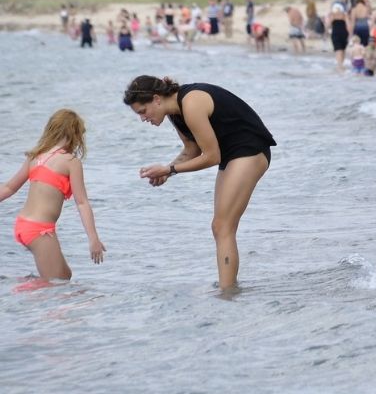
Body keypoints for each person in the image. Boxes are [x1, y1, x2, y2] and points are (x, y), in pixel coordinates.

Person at [123, 76, 276, 291]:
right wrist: (169, 171)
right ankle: (228, 289)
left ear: (156, 99)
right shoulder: (175, 112)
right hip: (232, 155)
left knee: (223, 226)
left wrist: (170, 169)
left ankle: (227, 292)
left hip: (250, 150)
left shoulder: (191, 103)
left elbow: (211, 156)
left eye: (142, 111)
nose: (143, 118)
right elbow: (192, 150)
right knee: (219, 227)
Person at [0, 109, 105, 281]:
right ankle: (21, 292)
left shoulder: (35, 156)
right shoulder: (71, 162)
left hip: (23, 225)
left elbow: (8, 188)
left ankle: (26, 287)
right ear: (75, 135)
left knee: (65, 275)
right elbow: (82, 202)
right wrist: (93, 239)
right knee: (57, 283)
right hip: (39, 229)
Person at [328, 2, 351, 70]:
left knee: (341, 51)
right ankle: (340, 66)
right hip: (340, 34)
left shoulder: (343, 15)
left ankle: (340, 67)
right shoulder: (343, 15)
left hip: (339, 34)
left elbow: (327, 26)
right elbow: (348, 25)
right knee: (339, 51)